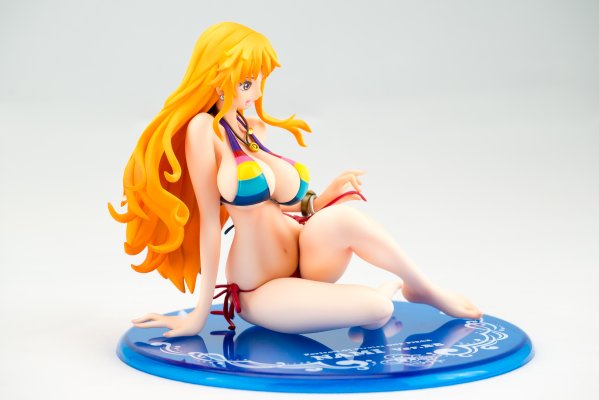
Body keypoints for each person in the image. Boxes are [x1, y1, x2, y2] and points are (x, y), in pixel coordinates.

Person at [109, 22, 481, 338]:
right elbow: (209, 223)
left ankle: (422, 287)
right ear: (217, 77)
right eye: (247, 83)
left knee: (344, 217)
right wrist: (198, 316)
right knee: (377, 308)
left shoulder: (251, 126)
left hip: (307, 252)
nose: (257, 93)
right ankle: (381, 298)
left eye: (259, 81)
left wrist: (321, 199)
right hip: (261, 287)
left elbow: (283, 201)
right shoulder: (203, 131)